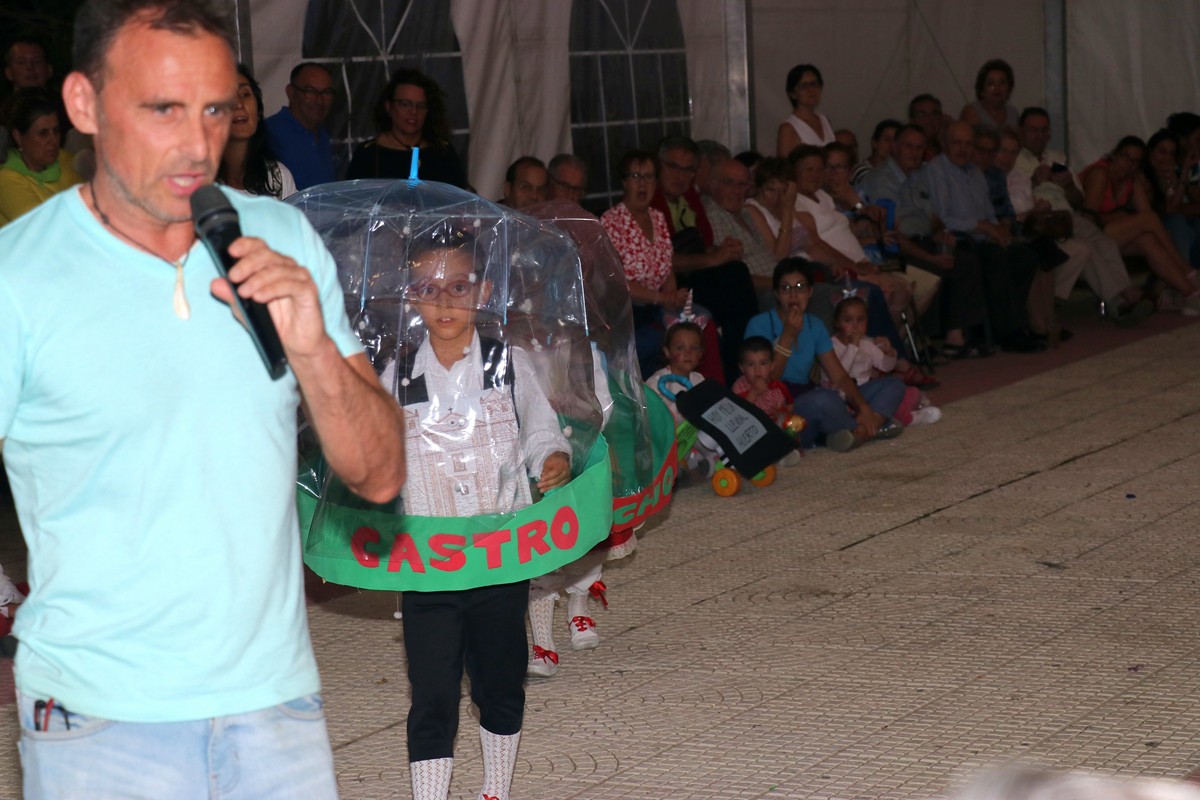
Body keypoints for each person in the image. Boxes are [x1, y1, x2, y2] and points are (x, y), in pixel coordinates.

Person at [0, 2, 407, 797]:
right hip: (98, 719)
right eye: (164, 109)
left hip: (276, 704)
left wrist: (313, 349)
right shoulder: (19, 276)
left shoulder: (281, 239)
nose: (197, 144)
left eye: (216, 110)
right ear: (84, 103)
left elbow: (382, 475)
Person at [391, 235, 570, 800]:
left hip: (499, 557)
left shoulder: (507, 364)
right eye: (428, 288)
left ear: (484, 291)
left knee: (500, 679)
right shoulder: (396, 373)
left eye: (458, 286)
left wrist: (553, 457)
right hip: (430, 563)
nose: (444, 300)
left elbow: (540, 429)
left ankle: (496, 788)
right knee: (432, 690)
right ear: (410, 296)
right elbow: (373, 450)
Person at [899, 120, 1044, 352]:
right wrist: (982, 227)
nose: (963, 149)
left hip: (981, 238)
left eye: (968, 144)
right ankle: (1009, 331)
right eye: (957, 143)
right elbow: (942, 219)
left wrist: (998, 229)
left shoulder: (975, 172)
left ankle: (1004, 322)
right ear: (945, 144)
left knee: (1024, 255)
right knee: (993, 257)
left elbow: (989, 213)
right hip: (956, 239)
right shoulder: (937, 170)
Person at [745, 259, 903, 452]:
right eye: (786, 288)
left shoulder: (815, 325)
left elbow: (839, 376)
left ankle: (861, 430)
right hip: (782, 408)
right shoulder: (759, 324)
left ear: (810, 292)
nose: (793, 295)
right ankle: (867, 428)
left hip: (811, 394)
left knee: (893, 384)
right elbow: (767, 382)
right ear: (777, 294)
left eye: (800, 287)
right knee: (822, 399)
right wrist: (787, 335)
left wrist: (864, 407)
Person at [860, 124, 989, 357]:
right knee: (931, 267)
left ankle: (955, 337)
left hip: (924, 238)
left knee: (965, 260)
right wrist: (931, 257)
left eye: (920, 148)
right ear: (895, 147)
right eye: (908, 146)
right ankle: (921, 340)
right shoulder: (881, 179)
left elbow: (934, 217)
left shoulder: (920, 175)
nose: (914, 153)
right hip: (892, 247)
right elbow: (891, 232)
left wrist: (941, 234)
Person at [602, 148, 721, 380]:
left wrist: (673, 297)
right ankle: (655, 392)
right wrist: (662, 299)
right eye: (635, 176)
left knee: (703, 324)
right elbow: (617, 283)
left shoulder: (657, 217)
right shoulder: (610, 221)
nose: (642, 183)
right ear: (624, 182)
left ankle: (705, 389)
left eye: (648, 176)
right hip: (627, 311)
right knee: (658, 339)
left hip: (658, 305)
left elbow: (667, 267)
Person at [651, 135, 759, 382]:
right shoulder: (652, 202)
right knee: (735, 277)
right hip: (669, 285)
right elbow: (661, 261)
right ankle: (738, 372)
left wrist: (719, 250)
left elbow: (702, 245)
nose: (680, 176)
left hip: (695, 276)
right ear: (659, 166)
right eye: (673, 166)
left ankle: (745, 365)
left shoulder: (690, 198)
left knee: (735, 273)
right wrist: (712, 259)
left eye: (688, 169)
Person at [1080, 135, 1200, 313]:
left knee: (1148, 240)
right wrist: (1120, 217)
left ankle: (1190, 293)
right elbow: (1087, 219)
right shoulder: (1101, 173)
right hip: (1088, 235)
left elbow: (1147, 214)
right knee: (1155, 221)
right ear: (1114, 154)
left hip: (1112, 235)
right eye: (1125, 156)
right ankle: (1187, 270)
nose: (1128, 164)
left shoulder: (1132, 179)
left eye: (1135, 161)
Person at [346, 67, 468, 189]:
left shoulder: (443, 152)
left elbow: (459, 196)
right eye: (405, 104)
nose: (413, 112)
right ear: (389, 107)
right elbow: (353, 197)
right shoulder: (368, 154)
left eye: (420, 106)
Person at [827, 296, 940, 427]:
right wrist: (853, 346)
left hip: (865, 392)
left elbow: (887, 367)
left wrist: (889, 352)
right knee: (890, 392)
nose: (855, 325)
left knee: (901, 388)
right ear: (837, 323)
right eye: (848, 320)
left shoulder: (867, 343)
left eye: (861, 319)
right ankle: (905, 418)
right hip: (843, 396)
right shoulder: (831, 345)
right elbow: (840, 373)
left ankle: (891, 415)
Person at [0, 88, 82, 226]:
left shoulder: (65, 159)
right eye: (43, 133)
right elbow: (43, 228)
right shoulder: (5, 181)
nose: (53, 140)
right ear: (18, 137)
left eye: (56, 131)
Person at [217, 63, 296, 199]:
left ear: (258, 110)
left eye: (245, 94)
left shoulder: (277, 177)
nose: (239, 104)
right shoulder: (194, 181)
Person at [264, 61, 336, 190]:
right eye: (310, 91)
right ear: (291, 93)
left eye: (326, 93)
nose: (319, 100)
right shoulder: (269, 134)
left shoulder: (322, 135)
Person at [1143, 128, 1200, 267]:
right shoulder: (1142, 177)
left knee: (1194, 225)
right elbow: (1171, 209)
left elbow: (1176, 204)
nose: (1167, 158)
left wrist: (1184, 171)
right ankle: (1184, 271)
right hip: (1151, 226)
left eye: (1171, 154)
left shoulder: (1169, 174)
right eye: (1162, 152)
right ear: (1150, 152)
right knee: (1177, 221)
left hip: (1168, 222)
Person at [776, 63, 835, 156]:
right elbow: (784, 163)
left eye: (814, 84)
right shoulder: (788, 128)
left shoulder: (825, 120)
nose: (810, 90)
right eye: (803, 86)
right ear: (792, 93)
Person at [959, 58, 1020, 130]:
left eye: (1002, 83)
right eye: (991, 84)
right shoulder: (971, 112)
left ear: (1009, 89)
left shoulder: (1013, 113)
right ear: (982, 90)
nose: (997, 88)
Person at [851, 118, 902, 185]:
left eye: (896, 140)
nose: (892, 145)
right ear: (875, 143)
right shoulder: (861, 170)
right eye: (887, 140)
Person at [908, 93, 945, 160]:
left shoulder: (947, 151)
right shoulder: (906, 152)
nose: (930, 119)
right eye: (922, 114)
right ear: (912, 120)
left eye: (935, 114)